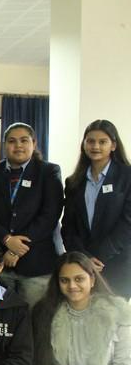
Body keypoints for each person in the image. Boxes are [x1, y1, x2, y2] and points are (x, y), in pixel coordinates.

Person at [0, 122, 63, 365]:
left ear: (34, 143)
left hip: (37, 265)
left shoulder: (48, 172)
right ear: (5, 144)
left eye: (24, 140)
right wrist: (6, 240)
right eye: (12, 141)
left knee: (39, 327)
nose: (18, 145)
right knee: (0, 327)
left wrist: (19, 247)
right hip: (0, 264)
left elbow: (50, 214)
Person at [62, 119, 131, 299]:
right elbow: (68, 226)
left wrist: (99, 256)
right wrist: (84, 257)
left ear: (113, 145)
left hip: (116, 263)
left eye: (102, 142)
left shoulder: (127, 176)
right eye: (90, 141)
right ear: (84, 144)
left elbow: (127, 224)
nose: (95, 146)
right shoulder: (74, 182)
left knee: (113, 314)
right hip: (82, 266)